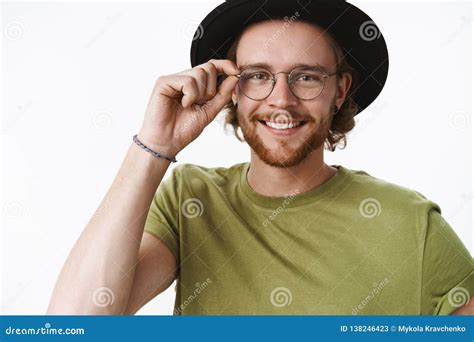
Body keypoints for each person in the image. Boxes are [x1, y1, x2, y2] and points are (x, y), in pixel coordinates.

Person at [47, 0, 473, 315]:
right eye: (258, 77)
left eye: (306, 76)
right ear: (231, 87)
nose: (281, 101)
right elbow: (77, 322)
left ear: (340, 90)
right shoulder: (190, 200)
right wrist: (154, 147)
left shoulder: (409, 222)